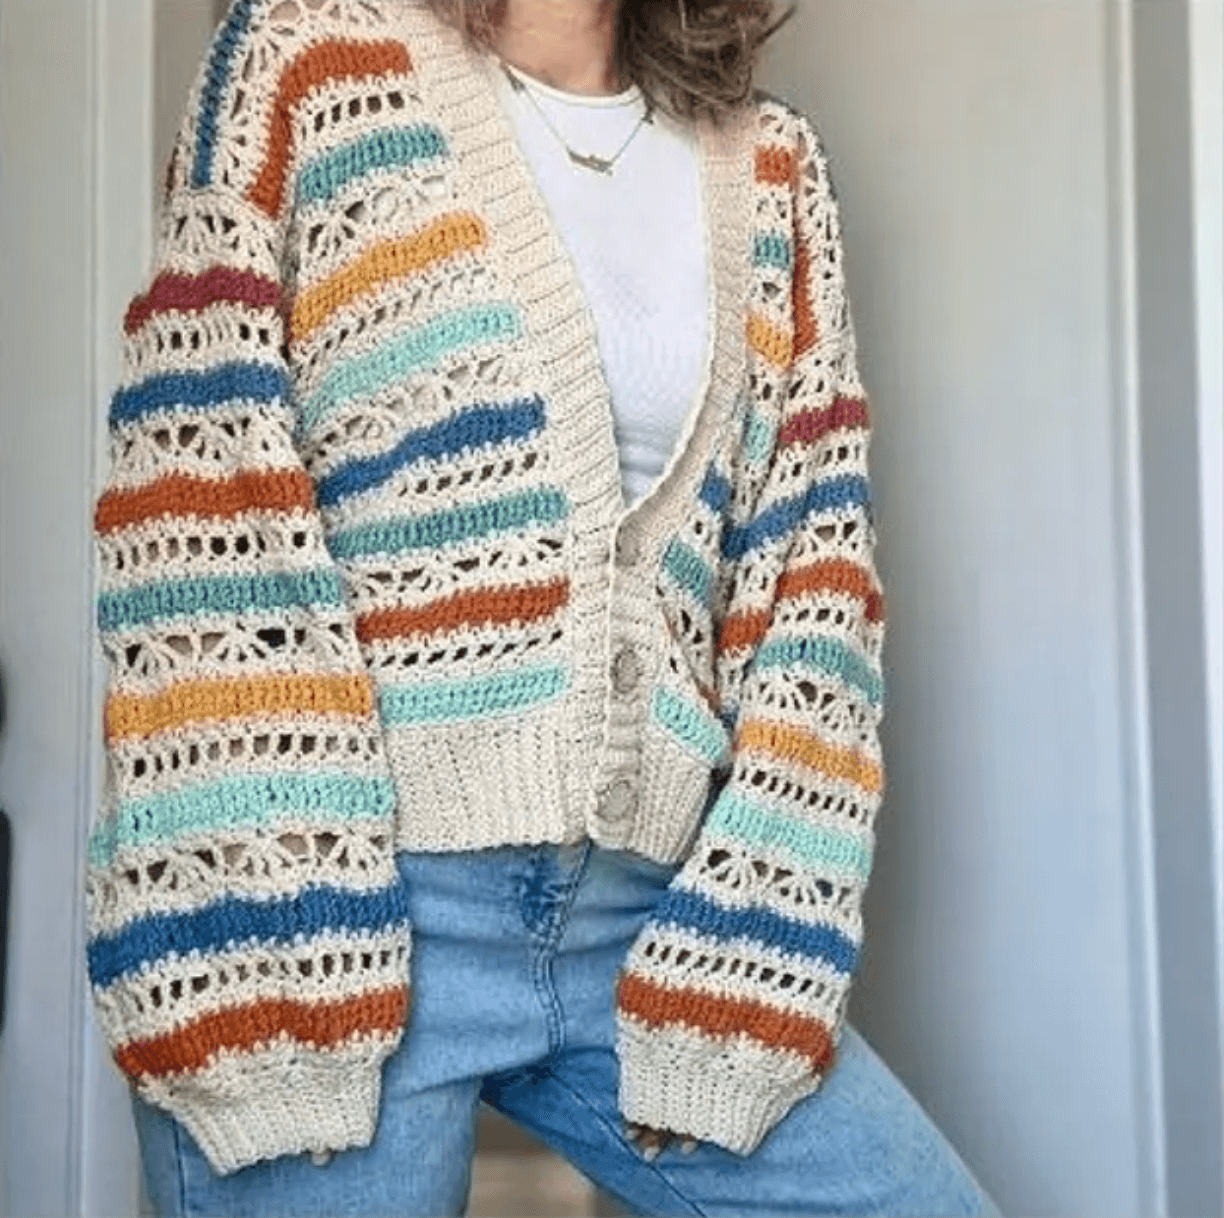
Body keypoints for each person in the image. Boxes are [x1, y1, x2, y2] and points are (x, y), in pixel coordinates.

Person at [85, 0, 998, 1213]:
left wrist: (758, 922)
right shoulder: (304, 61)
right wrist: (263, 915)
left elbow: (813, 575)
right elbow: (204, 498)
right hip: (341, 906)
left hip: (646, 912)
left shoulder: (775, 164)